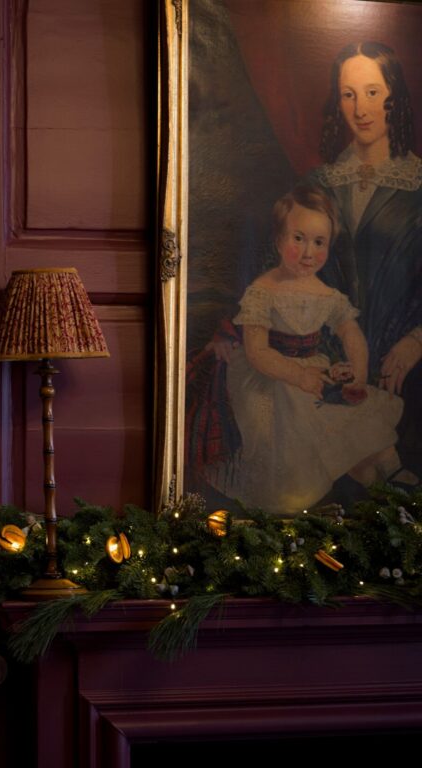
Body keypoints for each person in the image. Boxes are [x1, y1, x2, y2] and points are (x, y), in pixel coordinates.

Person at [203, 185, 403, 512]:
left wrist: (357, 373)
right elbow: (257, 352)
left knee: (355, 423)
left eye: (319, 242)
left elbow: (351, 332)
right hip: (268, 376)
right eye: (299, 238)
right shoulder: (263, 291)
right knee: (299, 432)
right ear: (280, 240)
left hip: (312, 370)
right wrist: (298, 376)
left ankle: (388, 493)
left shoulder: (325, 293)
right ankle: (297, 506)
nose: (309, 252)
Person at [308, 41, 422, 480]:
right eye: (348, 94)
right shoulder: (318, 184)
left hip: (403, 361)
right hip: (329, 359)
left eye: (373, 92)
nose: (361, 108)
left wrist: (416, 341)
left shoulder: (418, 184)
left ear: (395, 96)